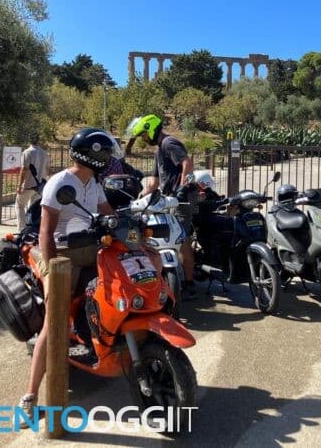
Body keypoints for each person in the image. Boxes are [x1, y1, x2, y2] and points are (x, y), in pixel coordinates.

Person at [15, 127, 119, 426]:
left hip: (92, 250)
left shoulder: (94, 182)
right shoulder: (60, 182)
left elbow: (108, 213)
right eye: (104, 153)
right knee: (54, 322)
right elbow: (46, 231)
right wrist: (52, 271)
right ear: (92, 155)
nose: (108, 157)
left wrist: (127, 223)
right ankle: (30, 396)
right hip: (64, 255)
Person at [125, 114, 197, 299]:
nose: (143, 138)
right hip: (167, 200)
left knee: (182, 238)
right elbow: (154, 183)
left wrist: (182, 188)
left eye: (143, 135)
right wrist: (138, 197)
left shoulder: (168, 143)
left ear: (151, 129)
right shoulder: (159, 152)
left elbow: (187, 163)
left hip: (180, 200)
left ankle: (189, 284)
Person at [16, 133, 49, 231]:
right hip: (40, 186)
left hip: (28, 185)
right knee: (33, 208)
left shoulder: (27, 152)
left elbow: (24, 169)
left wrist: (20, 185)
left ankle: (22, 229)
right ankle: (32, 228)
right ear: (38, 140)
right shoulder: (44, 153)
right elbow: (47, 170)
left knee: (19, 205)